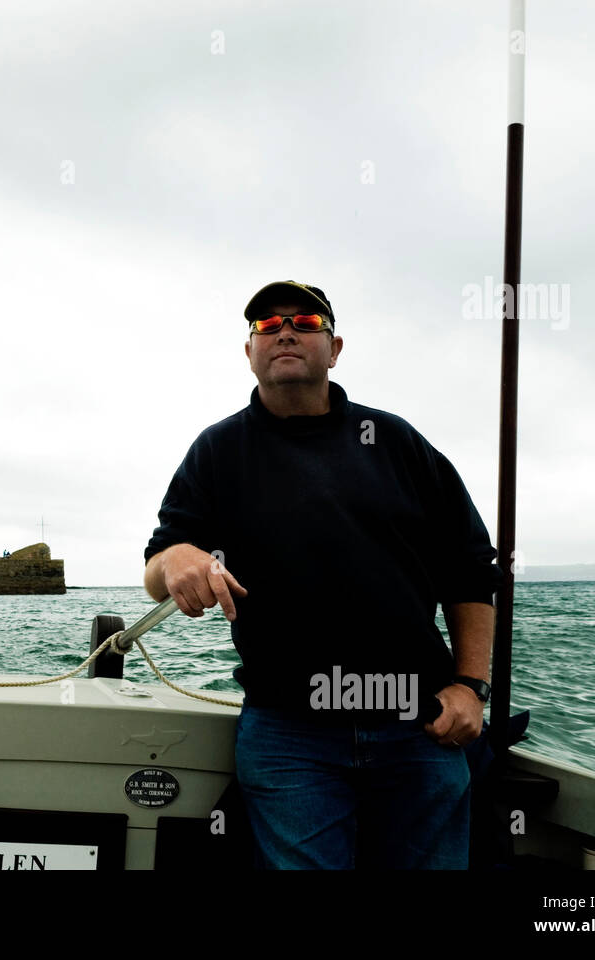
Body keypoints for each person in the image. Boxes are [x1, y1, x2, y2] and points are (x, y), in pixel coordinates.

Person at [143, 281, 500, 869]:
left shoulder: (397, 443)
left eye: (305, 321)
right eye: (266, 324)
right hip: (290, 733)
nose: (284, 330)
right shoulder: (219, 450)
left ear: (333, 349)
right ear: (249, 353)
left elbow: (469, 569)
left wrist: (471, 686)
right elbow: (157, 566)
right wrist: (179, 557)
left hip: (420, 724)